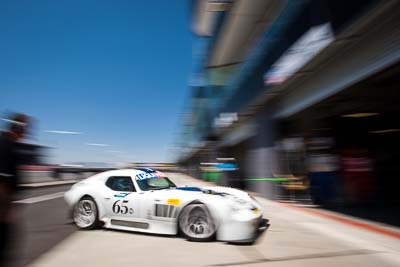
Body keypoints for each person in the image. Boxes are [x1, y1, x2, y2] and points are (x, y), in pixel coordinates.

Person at [0, 113, 29, 265]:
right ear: (18, 127)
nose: (27, 133)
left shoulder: (8, 143)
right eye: (26, 129)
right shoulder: (6, 144)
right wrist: (5, 211)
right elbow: (2, 180)